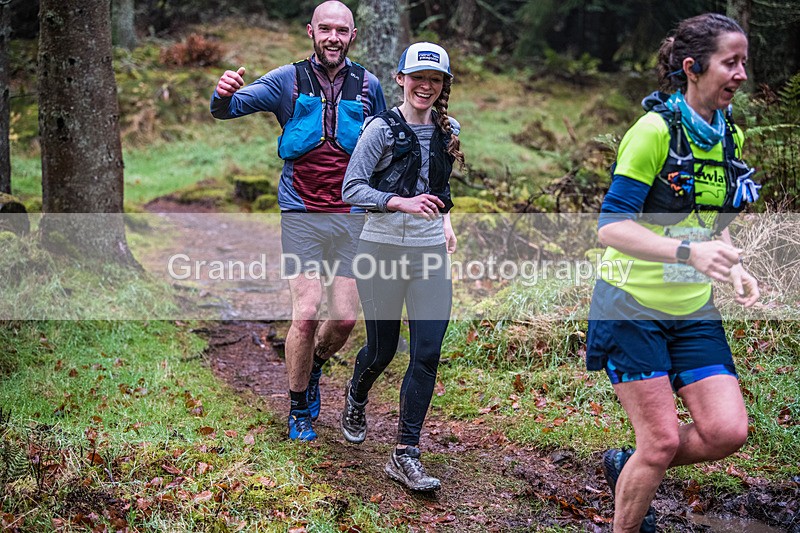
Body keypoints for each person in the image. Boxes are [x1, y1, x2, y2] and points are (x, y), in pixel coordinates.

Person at [586, 13, 761, 532]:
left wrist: (732, 265)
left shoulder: (732, 138)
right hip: (629, 307)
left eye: (743, 63)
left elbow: (710, 222)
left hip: (691, 310)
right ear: (692, 67)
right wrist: (689, 254)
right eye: (730, 63)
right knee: (661, 441)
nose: (741, 74)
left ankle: (630, 463)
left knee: (727, 431)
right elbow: (611, 228)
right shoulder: (653, 131)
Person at [210, 1, 386, 441]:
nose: (333, 37)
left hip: (352, 215)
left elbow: (386, 145)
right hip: (301, 212)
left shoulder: (369, 85)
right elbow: (226, 110)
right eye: (325, 29)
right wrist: (224, 91)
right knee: (305, 315)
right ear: (311, 31)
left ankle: (315, 365)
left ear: (353, 36)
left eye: (341, 31)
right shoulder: (286, 80)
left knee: (344, 319)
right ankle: (298, 408)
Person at [338, 42, 464, 492]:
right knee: (382, 349)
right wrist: (400, 203)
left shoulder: (450, 130)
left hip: (429, 253)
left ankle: (404, 452)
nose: (425, 86)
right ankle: (356, 393)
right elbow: (351, 188)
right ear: (401, 79)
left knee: (427, 351)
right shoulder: (380, 129)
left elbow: (439, 186)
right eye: (417, 78)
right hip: (381, 251)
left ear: (443, 85)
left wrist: (445, 221)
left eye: (434, 80)